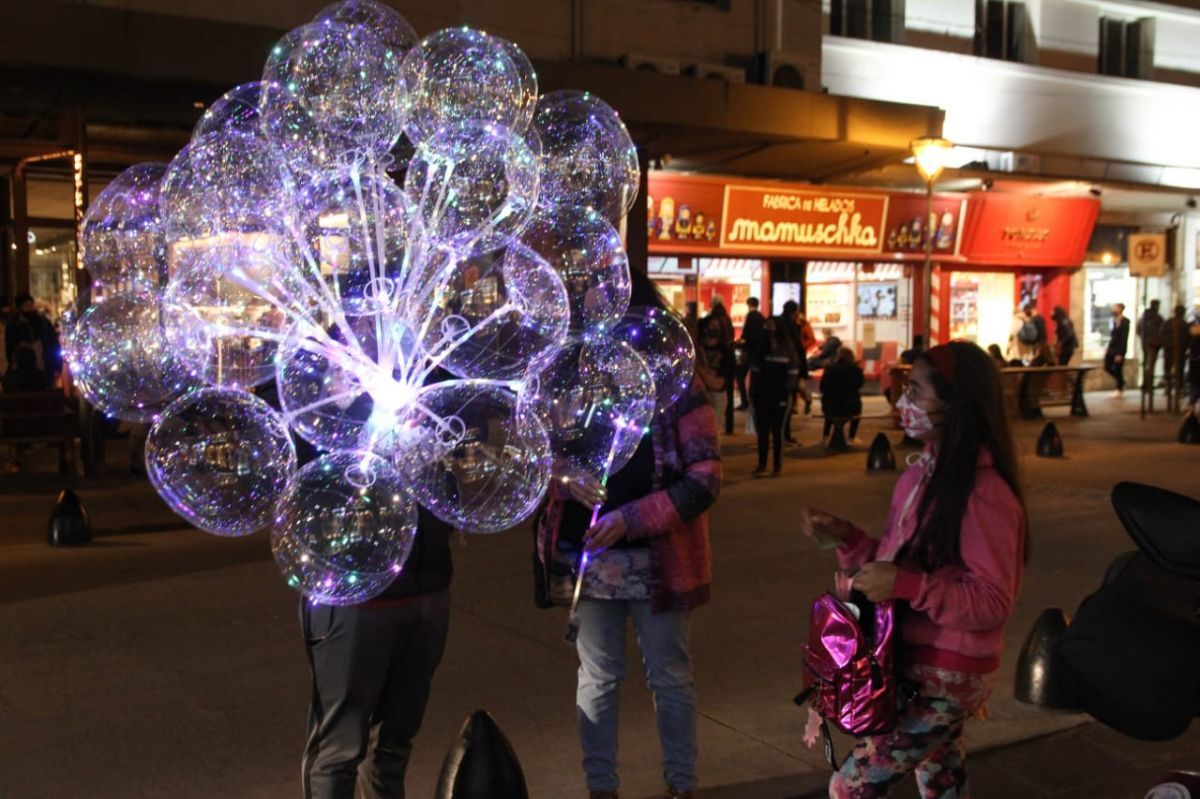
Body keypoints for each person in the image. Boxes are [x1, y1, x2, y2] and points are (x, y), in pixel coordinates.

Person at [803, 341, 1027, 797]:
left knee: (850, 787)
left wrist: (908, 585)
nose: (903, 401)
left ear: (957, 403)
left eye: (917, 391)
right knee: (941, 779)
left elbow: (991, 600)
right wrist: (848, 539)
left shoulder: (984, 493)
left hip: (950, 674)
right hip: (913, 660)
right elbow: (894, 565)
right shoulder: (918, 477)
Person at [536, 270, 721, 799]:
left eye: (611, 310)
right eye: (591, 310)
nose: (600, 322)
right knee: (598, 678)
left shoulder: (677, 382)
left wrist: (632, 519)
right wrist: (562, 477)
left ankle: (681, 787)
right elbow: (536, 456)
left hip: (661, 562)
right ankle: (601, 789)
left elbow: (705, 478)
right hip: (591, 560)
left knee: (669, 676)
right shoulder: (570, 376)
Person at [750, 314, 800, 476]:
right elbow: (755, 372)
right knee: (762, 432)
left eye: (771, 325)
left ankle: (777, 466)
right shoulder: (761, 349)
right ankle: (762, 464)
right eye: (767, 326)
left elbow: (793, 373)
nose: (769, 329)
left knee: (777, 431)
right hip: (762, 395)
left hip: (779, 395)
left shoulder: (787, 349)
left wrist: (787, 392)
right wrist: (753, 393)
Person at [4, 293, 61, 391]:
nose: (29, 308)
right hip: (22, 373)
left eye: (31, 304)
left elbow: (53, 345)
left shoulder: (43, 323)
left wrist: (56, 366)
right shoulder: (13, 325)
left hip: (44, 370)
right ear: (19, 308)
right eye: (26, 305)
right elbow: (10, 348)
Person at [698, 297, 735, 430]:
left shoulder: (723, 350)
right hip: (709, 389)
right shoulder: (699, 349)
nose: (714, 329)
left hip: (714, 389)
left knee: (713, 424)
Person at [819, 347, 865, 447]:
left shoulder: (829, 369)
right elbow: (860, 384)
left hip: (830, 407)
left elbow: (822, 387)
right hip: (850, 407)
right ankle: (852, 436)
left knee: (830, 403)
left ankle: (825, 435)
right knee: (857, 408)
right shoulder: (855, 369)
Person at [780, 300, 810, 442]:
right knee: (788, 403)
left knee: (781, 402)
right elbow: (799, 349)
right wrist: (802, 371)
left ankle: (779, 433)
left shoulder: (778, 323)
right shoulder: (791, 327)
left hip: (777, 369)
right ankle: (785, 434)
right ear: (794, 313)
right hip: (790, 369)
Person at [735, 297, 765, 411]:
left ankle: (744, 401)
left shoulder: (750, 316)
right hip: (758, 352)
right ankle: (754, 401)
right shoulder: (761, 317)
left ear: (749, 305)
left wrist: (740, 342)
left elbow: (746, 334)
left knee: (740, 375)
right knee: (755, 377)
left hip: (748, 351)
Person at [1163, 305, 1190, 408]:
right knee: (1176, 371)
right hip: (1174, 351)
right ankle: (1173, 387)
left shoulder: (1170, 323)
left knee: (1173, 371)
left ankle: (1172, 387)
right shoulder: (1183, 324)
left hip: (1174, 352)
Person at [1137, 299, 1165, 391]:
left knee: (1146, 364)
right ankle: (1148, 384)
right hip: (1153, 345)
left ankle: (1146, 383)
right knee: (1150, 365)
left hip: (1145, 344)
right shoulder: (1157, 318)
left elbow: (1138, 330)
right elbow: (1162, 331)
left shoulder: (1143, 317)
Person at [1105, 303, 1130, 397]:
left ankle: (1119, 388)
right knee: (1107, 366)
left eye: (1115, 308)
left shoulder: (1125, 321)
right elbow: (1112, 336)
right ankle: (1121, 381)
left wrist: (1120, 353)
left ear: (1120, 309)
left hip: (1119, 349)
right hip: (1111, 348)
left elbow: (1124, 338)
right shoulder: (1112, 320)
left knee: (1118, 369)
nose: (1113, 309)